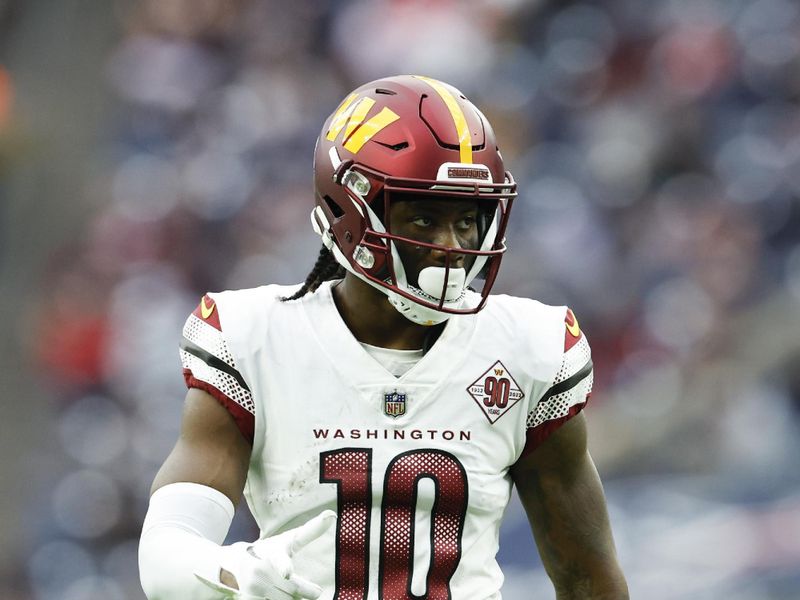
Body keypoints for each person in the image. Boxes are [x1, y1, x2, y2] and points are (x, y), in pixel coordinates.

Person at [138, 74, 629, 600]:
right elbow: (169, 550)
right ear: (350, 211)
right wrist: (228, 575)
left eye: (467, 220)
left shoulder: (527, 349)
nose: (452, 246)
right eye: (422, 218)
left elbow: (587, 578)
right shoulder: (254, 338)